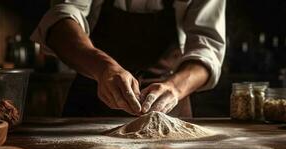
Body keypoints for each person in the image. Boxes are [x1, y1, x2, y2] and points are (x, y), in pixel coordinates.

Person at [31, 0, 226, 117]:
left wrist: (175, 87)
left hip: (169, 107)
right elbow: (60, 20)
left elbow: (208, 46)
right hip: (92, 98)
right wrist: (103, 68)